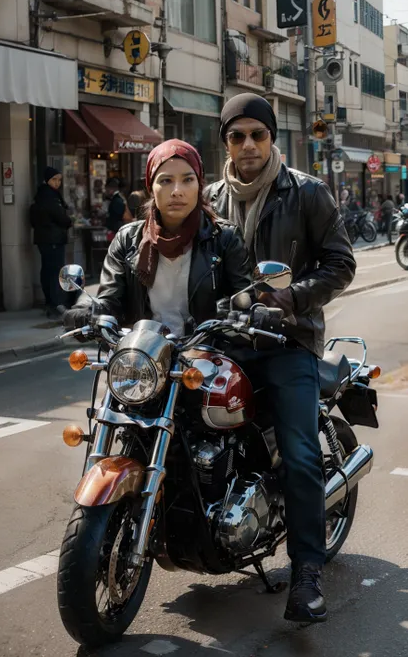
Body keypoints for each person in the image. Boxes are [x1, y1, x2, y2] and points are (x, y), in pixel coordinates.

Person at [205, 93, 356, 624]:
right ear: (225, 141)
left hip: (289, 340)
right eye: (237, 135)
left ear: (273, 138)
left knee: (299, 451)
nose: (247, 145)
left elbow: (341, 264)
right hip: (226, 339)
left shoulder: (306, 192)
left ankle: (308, 572)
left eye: (258, 135)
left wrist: (292, 299)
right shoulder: (208, 198)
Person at [63, 139, 250, 341]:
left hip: (207, 356)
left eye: (187, 180)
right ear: (151, 188)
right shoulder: (127, 239)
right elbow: (110, 299)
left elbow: (244, 298)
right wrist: (86, 310)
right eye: (165, 180)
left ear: (199, 185)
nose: (177, 190)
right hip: (143, 356)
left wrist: (233, 314)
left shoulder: (225, 238)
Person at [30, 167, 72, 318]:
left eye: (59, 180)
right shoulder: (50, 197)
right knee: (54, 272)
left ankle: (51, 302)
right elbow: (63, 218)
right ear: (47, 180)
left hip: (45, 239)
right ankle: (56, 304)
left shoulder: (42, 195)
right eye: (54, 179)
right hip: (53, 239)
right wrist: (68, 221)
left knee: (48, 270)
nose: (57, 183)